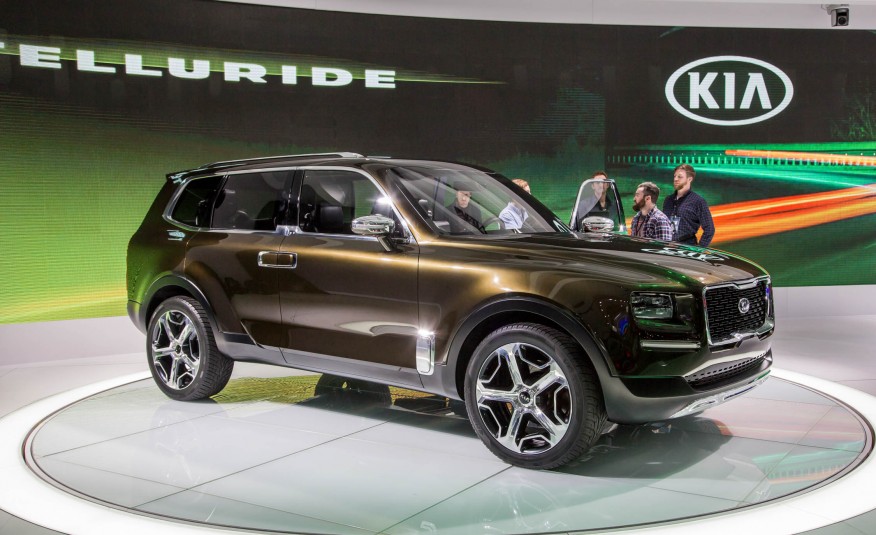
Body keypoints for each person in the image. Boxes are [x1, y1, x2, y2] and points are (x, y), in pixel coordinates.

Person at [662, 164, 715, 247]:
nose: (675, 179)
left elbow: (709, 229)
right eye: (675, 176)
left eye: (680, 177)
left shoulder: (698, 201)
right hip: (666, 248)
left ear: (689, 179)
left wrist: (699, 250)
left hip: (686, 248)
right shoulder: (668, 200)